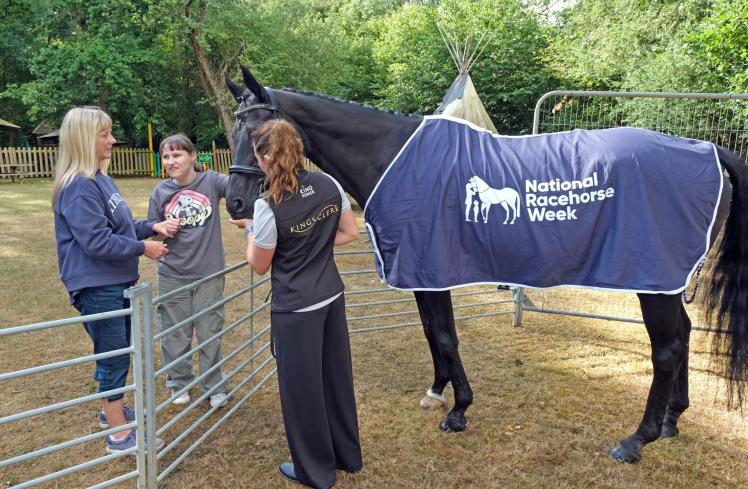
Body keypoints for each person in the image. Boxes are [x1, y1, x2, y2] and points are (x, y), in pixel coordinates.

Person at [230, 119, 362, 489]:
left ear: (264, 158)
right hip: (331, 296)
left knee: (302, 392)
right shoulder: (329, 183)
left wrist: (252, 231)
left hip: (296, 308)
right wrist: (311, 241)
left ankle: (314, 471)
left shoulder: (267, 205)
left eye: (257, 158)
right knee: (335, 380)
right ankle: (347, 456)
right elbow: (350, 232)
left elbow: (259, 264)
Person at [52, 106, 179, 453]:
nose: (112, 140)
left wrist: (151, 226)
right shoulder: (78, 187)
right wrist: (143, 247)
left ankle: (111, 413)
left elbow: (118, 226)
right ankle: (119, 436)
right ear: (84, 139)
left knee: (119, 350)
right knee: (114, 355)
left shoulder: (99, 179)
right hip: (98, 286)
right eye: (104, 134)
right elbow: (97, 241)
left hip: (115, 282)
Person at [148, 134, 229, 409]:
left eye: (177, 155)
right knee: (174, 334)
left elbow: (240, 189)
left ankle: (214, 386)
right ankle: (179, 384)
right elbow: (153, 236)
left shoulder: (212, 181)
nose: (171, 161)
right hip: (172, 274)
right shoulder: (160, 192)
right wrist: (162, 229)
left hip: (209, 273)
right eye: (166, 156)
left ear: (192, 155)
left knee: (210, 331)